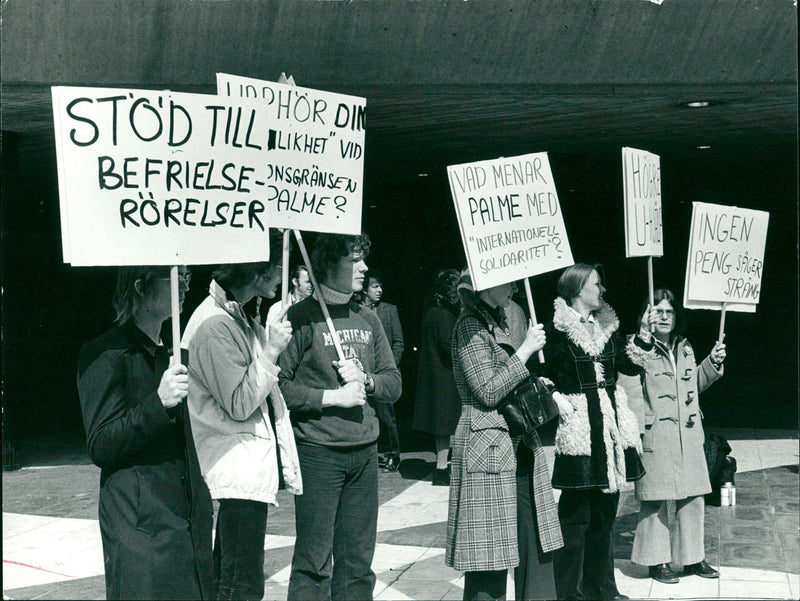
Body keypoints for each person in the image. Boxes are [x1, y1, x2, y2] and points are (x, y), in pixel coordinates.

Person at [77, 266, 213, 600]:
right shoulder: (105, 353)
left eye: (185, 277)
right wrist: (158, 403)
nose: (183, 284)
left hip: (187, 519)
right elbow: (101, 444)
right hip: (139, 524)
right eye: (173, 276)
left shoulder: (177, 355)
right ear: (140, 286)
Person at [278, 233, 402, 601]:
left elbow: (393, 383)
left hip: (364, 452)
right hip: (318, 452)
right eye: (355, 260)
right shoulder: (298, 319)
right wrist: (333, 397)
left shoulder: (368, 318)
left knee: (358, 562)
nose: (364, 268)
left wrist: (366, 381)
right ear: (329, 265)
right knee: (314, 562)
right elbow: (278, 388)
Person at [182, 233, 302, 601]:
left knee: (238, 575)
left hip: (247, 467)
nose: (282, 275)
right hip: (235, 468)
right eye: (277, 267)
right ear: (257, 271)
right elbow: (239, 402)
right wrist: (272, 350)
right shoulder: (214, 324)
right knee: (239, 582)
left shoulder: (237, 316)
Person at [446, 269, 563, 601]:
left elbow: (504, 380)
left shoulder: (496, 321)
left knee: (536, 538)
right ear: (486, 283)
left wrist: (533, 385)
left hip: (517, 443)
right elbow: (486, 389)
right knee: (489, 555)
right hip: (488, 448)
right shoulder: (469, 326)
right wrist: (525, 351)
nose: (514, 286)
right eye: (509, 280)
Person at [542, 263, 657, 601]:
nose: (602, 289)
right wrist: (555, 398)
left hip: (610, 430)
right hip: (580, 430)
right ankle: (569, 592)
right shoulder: (555, 331)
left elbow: (629, 365)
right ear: (578, 289)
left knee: (606, 514)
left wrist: (645, 334)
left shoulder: (607, 326)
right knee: (575, 518)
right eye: (597, 283)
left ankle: (602, 587)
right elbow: (540, 375)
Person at [621, 289, 725, 584]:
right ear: (647, 314)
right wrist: (636, 433)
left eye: (670, 312)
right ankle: (656, 561)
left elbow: (694, 387)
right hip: (657, 434)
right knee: (656, 499)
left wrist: (712, 363)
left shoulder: (685, 346)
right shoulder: (637, 347)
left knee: (693, 495)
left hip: (689, 433)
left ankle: (692, 559)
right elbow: (628, 391)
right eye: (659, 311)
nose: (664, 317)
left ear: (677, 317)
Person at [412, 268, 461, 486]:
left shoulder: (431, 313)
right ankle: (443, 469)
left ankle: (442, 467)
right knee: (450, 426)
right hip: (446, 380)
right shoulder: (445, 316)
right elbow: (450, 348)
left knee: (442, 429)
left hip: (435, 378)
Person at [361, 268, 405, 471]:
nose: (379, 290)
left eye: (380, 286)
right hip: (364, 373)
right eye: (374, 286)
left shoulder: (389, 309)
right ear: (365, 289)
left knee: (388, 417)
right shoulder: (356, 309)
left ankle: (393, 454)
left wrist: (390, 368)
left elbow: (398, 342)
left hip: (384, 373)